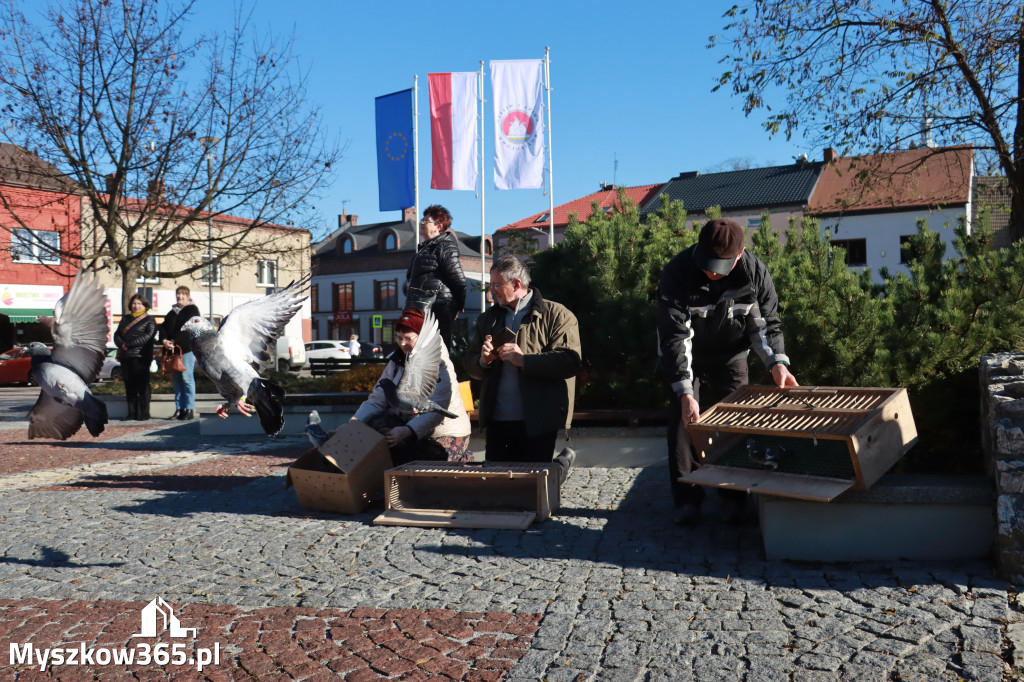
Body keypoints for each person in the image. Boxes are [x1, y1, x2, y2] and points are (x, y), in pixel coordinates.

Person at [657, 218, 799, 525]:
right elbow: (674, 336)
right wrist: (684, 392)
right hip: (687, 356)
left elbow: (766, 326)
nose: (711, 272)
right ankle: (687, 499)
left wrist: (777, 364)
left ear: (739, 254)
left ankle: (733, 498)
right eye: (707, 263)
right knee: (683, 423)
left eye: (719, 266)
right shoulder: (678, 272)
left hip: (732, 353)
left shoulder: (756, 274)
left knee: (734, 420)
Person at [464, 256, 581, 482]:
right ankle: (559, 468)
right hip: (498, 421)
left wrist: (525, 360)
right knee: (499, 487)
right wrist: (483, 361)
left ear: (516, 284)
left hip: (538, 421)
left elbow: (570, 361)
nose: (492, 292)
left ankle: (558, 470)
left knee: (532, 486)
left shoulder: (558, 315)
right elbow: (469, 362)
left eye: (496, 285)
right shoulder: (487, 319)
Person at [351, 308, 471, 463]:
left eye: (408, 338)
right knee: (377, 425)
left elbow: (436, 409)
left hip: (446, 433)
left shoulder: (439, 363)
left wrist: (408, 430)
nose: (402, 343)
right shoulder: (397, 361)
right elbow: (377, 399)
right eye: (399, 337)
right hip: (409, 427)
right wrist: (354, 423)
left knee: (408, 459)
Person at [406, 205, 466, 348]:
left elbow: (459, 279)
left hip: (436, 307)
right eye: (422, 219)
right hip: (421, 307)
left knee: (436, 351)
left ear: (438, 226)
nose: (421, 223)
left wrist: (458, 306)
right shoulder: (425, 248)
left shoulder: (445, 246)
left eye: (426, 221)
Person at [113, 293, 157, 421]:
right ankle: (131, 412)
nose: (136, 306)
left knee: (142, 385)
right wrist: (121, 344)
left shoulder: (150, 319)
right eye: (134, 303)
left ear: (144, 305)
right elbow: (117, 334)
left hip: (141, 356)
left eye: (139, 303)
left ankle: (144, 412)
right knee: (129, 385)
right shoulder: (125, 318)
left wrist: (128, 344)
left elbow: (148, 336)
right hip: (126, 356)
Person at [160, 285, 201, 420]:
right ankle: (179, 409)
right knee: (177, 381)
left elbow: (189, 329)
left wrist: (174, 341)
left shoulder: (192, 310)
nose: (180, 296)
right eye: (178, 294)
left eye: (183, 294)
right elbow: (164, 328)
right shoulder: (172, 313)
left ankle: (189, 408)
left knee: (187, 378)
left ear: (188, 296)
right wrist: (165, 340)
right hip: (173, 351)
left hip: (186, 349)